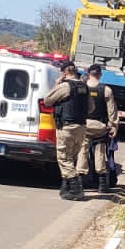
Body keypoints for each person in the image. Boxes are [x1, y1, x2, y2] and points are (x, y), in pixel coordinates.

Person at [42, 61, 90, 200]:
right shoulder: (84, 87)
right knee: (71, 158)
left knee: (63, 158)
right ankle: (65, 188)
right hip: (81, 127)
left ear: (64, 72)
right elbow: (90, 108)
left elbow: (47, 100)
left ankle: (76, 189)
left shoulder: (64, 86)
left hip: (67, 127)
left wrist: (56, 84)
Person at [81, 63, 119, 194]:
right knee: (100, 152)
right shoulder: (106, 90)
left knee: (82, 151)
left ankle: (80, 181)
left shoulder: (82, 88)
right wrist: (113, 126)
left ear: (88, 73)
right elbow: (111, 111)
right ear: (100, 74)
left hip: (84, 125)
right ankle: (102, 184)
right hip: (99, 126)